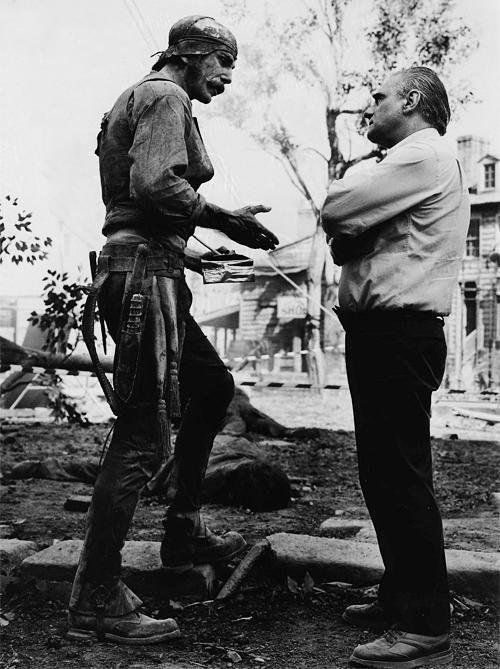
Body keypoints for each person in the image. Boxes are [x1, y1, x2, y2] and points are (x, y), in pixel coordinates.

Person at [67, 15, 279, 645]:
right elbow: (155, 185)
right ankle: (97, 593)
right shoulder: (165, 95)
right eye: (223, 64)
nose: (228, 77)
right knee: (139, 432)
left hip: (152, 266)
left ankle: (181, 527)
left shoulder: (144, 98)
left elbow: (134, 208)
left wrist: (191, 251)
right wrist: (226, 221)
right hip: (142, 281)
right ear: (190, 55)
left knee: (212, 388)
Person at [321, 66, 469, 668]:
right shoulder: (410, 161)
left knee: (398, 474)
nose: (369, 109)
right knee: (383, 472)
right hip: (385, 333)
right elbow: (343, 241)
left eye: (378, 97)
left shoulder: (420, 154)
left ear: (411, 100)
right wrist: (353, 227)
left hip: (397, 334)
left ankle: (425, 621)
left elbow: (337, 210)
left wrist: (351, 209)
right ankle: (400, 595)